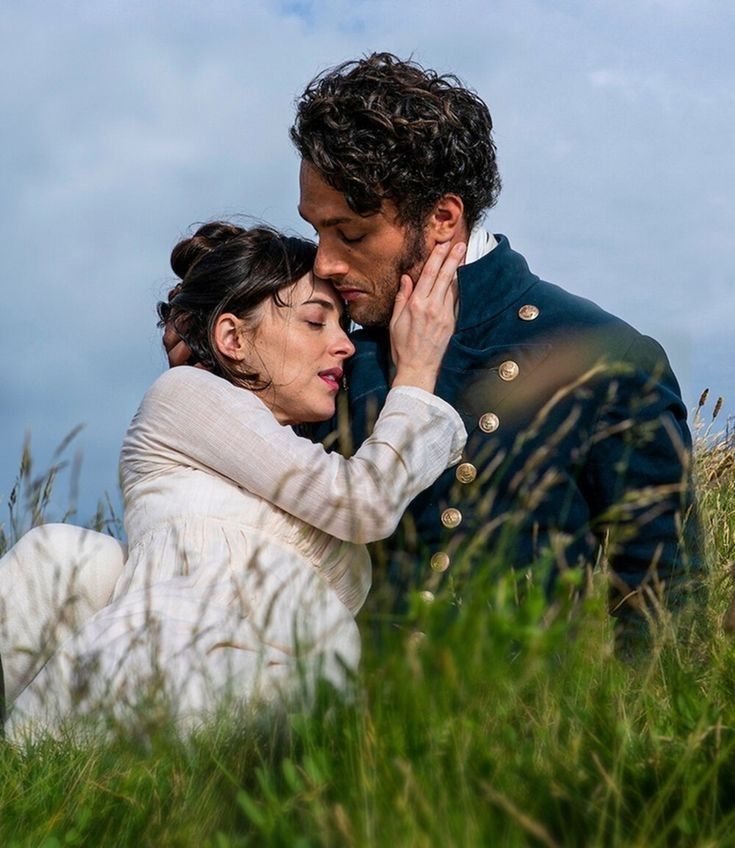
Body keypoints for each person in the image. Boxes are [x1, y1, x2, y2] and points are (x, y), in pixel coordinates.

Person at [2, 222, 467, 738]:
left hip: (272, 730)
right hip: (164, 681)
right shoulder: (183, 393)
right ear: (232, 337)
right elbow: (365, 503)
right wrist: (418, 370)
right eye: (316, 323)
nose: (345, 347)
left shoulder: (291, 462)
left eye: (344, 328)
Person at [289, 52, 701, 631]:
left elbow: (664, 615)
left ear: (442, 217)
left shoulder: (608, 358)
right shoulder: (330, 359)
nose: (325, 262)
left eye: (351, 233)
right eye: (317, 230)